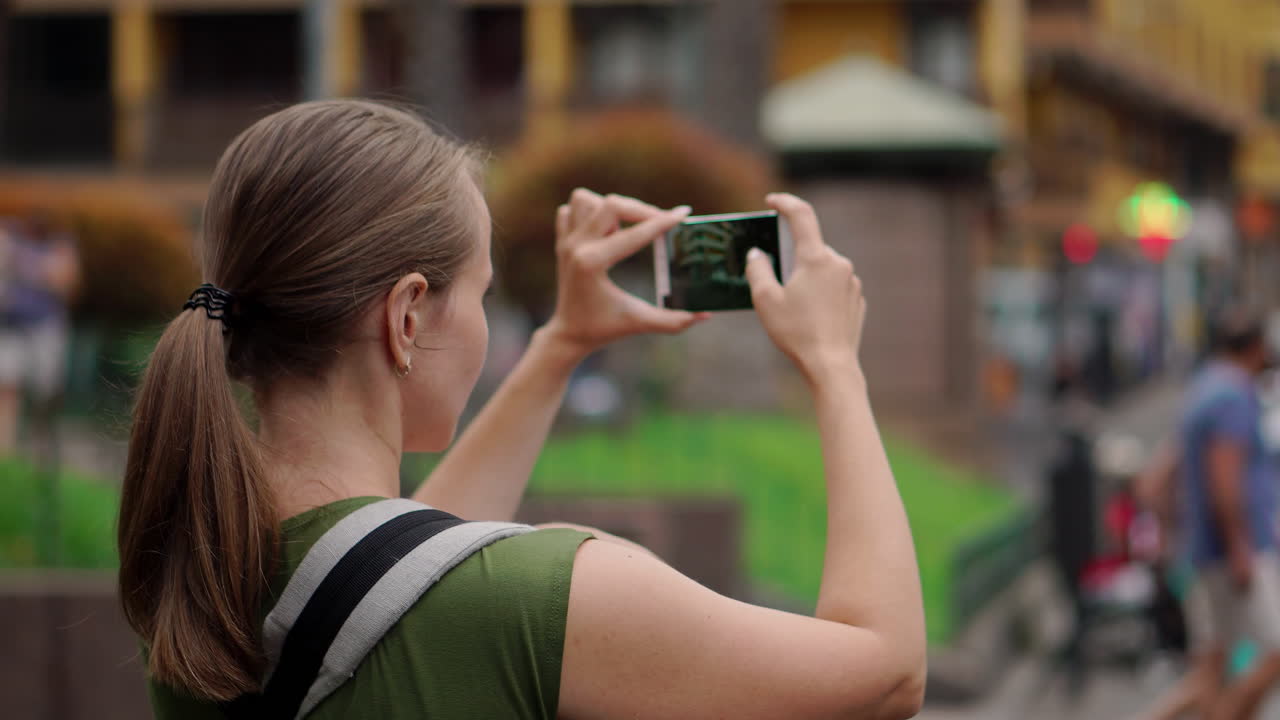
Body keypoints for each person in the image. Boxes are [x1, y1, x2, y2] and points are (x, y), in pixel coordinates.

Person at [117, 101, 926, 719]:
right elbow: (884, 671)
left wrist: (561, 344)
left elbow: (397, 571)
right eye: (484, 294)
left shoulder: (201, 592)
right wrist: (832, 367)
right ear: (405, 318)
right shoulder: (551, 596)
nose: (485, 323)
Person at [1157, 306, 1280, 720]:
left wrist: (1168, 530)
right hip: (1232, 550)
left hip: (1200, 549)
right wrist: (1240, 544)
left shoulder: (1201, 389)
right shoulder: (1234, 395)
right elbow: (1226, 481)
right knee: (1275, 651)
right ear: (1258, 348)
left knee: (1212, 662)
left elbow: (1159, 477)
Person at [0, 209, 80, 454]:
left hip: (45, 327)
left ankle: (38, 448)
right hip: (10, 325)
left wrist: (28, 267)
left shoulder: (61, 243)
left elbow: (65, 280)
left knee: (43, 392)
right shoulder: (9, 236)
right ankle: (5, 451)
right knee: (7, 386)